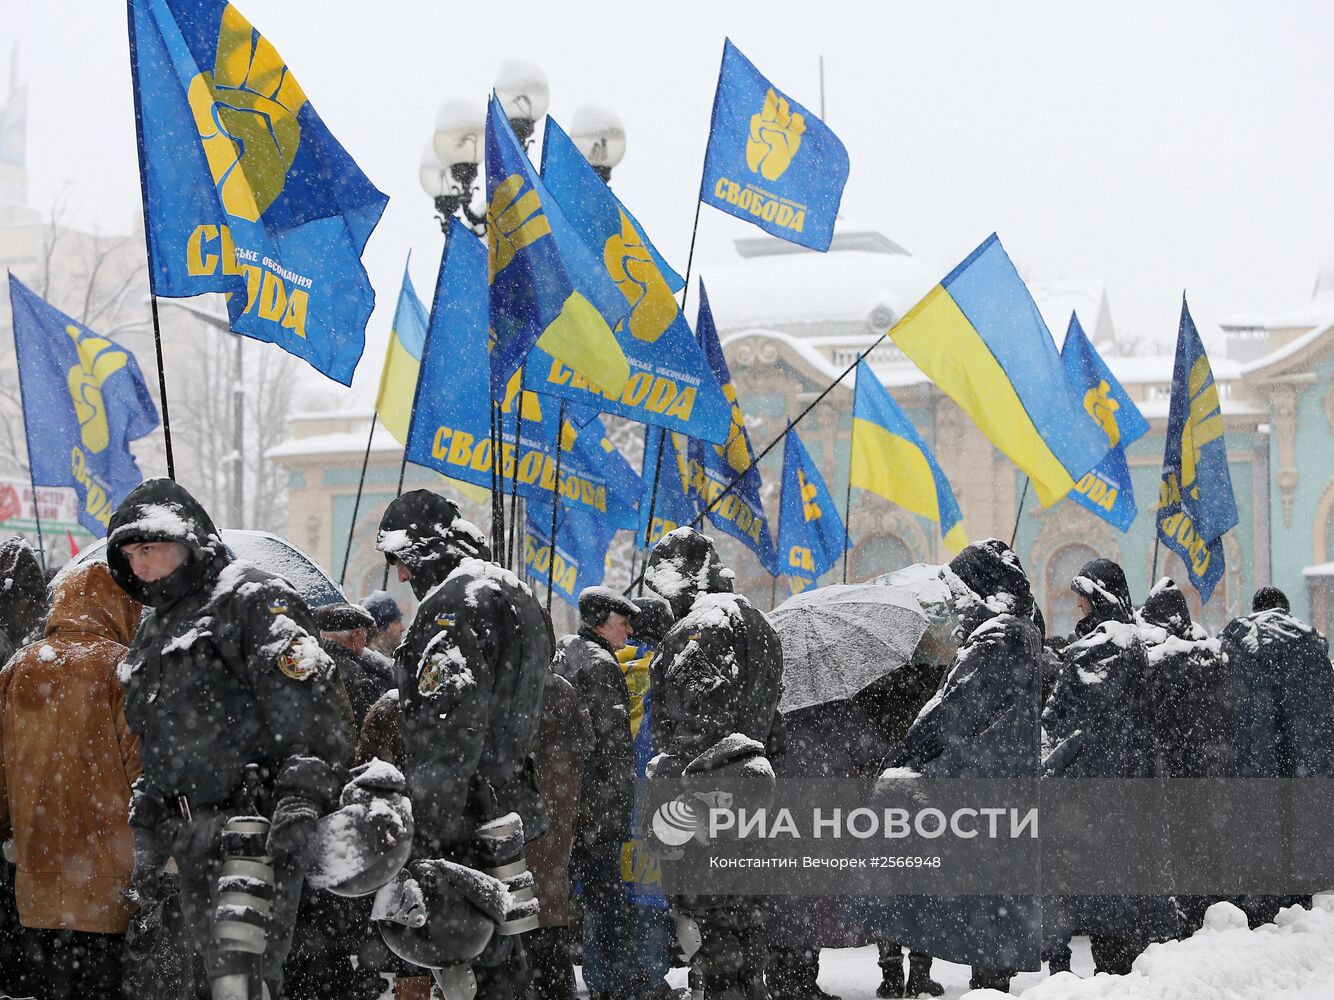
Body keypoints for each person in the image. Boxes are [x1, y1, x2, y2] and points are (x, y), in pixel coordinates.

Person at [106, 478, 347, 999]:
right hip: (189, 838)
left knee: (244, 981)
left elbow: (312, 709)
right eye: (130, 554)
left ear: (191, 542)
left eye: (150, 548)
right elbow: (156, 738)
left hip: (254, 829)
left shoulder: (254, 599)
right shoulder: (155, 629)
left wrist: (301, 798)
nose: (140, 565)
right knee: (206, 983)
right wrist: (147, 825)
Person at [376, 489, 551, 1000]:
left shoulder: (454, 605)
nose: (402, 577)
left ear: (431, 547)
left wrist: (427, 835)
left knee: (472, 967)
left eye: (402, 561)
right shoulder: (514, 593)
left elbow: (448, 731)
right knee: (507, 954)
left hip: (464, 815)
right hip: (509, 804)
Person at [868, 540, 1042, 994]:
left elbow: (949, 710)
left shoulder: (995, 639)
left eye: (964, 589)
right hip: (999, 786)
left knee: (981, 908)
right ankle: (987, 980)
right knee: (992, 908)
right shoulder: (1018, 634)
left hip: (978, 785)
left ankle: (982, 983)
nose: (958, 600)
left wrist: (904, 758)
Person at [646, 527, 785, 1000]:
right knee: (744, 933)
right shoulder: (759, 624)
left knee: (713, 937)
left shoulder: (698, 628)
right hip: (753, 798)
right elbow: (775, 729)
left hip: (706, 805)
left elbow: (694, 728)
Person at [0, 562, 141, 998]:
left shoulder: (17, 669)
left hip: (34, 882)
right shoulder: (121, 669)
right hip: (108, 883)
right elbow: (142, 773)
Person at [1042, 558, 1176, 976]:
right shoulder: (1140, 646)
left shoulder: (1095, 653)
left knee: (1102, 906)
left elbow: (1058, 721)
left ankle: (1103, 976)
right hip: (1133, 793)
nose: (1077, 603)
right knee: (1125, 908)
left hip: (1093, 797)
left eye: (1082, 595)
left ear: (1097, 597)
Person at [558, 586, 652, 1000]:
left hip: (564, 803)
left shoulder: (567, 655)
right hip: (597, 809)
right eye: (622, 622)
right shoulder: (600, 665)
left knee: (562, 900)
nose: (629, 630)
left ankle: (565, 977)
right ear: (602, 623)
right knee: (609, 900)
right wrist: (616, 809)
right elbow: (612, 747)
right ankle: (618, 983)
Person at [1221, 586, 1333, 926]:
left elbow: (1224, 706)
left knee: (1258, 838)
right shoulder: (1311, 643)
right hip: (1304, 762)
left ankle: (1260, 911)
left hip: (1252, 760)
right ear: (1286, 610)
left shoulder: (1237, 641)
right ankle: (1297, 907)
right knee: (1299, 837)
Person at [1135, 577, 1234, 934]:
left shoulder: (1157, 661)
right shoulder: (1213, 657)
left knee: (1175, 848)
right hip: (1210, 770)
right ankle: (1207, 910)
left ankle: (1181, 918)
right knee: (1205, 845)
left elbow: (1149, 717)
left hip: (1170, 768)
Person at [523, 657, 592, 1000]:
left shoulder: (511, 690)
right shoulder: (560, 691)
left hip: (528, 824)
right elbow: (586, 746)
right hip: (555, 822)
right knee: (548, 921)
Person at [315, 601, 394, 728]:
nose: (364, 646)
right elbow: (369, 724)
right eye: (365, 636)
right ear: (355, 635)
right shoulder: (353, 673)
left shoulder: (311, 661)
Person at [361, 590, 405, 663]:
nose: (403, 628)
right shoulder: (375, 667)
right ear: (380, 629)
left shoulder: (397, 659)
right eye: (397, 622)